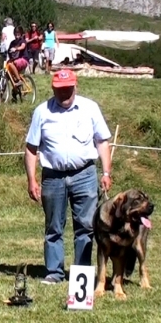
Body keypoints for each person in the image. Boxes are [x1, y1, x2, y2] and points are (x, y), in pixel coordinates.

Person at [23, 69, 112, 284]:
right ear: (53, 88)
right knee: (53, 226)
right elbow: (31, 148)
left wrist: (106, 171)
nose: (64, 94)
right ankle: (54, 272)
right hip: (53, 177)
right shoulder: (42, 112)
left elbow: (102, 141)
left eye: (68, 89)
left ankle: (82, 274)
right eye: (60, 90)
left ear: (76, 87)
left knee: (86, 226)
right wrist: (32, 180)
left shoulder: (90, 108)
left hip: (85, 174)